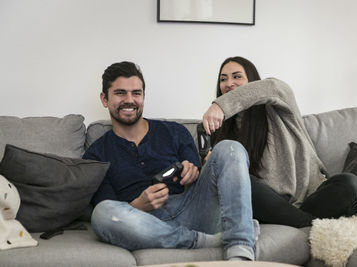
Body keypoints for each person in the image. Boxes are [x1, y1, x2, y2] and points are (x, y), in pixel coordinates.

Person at [83, 61, 258, 261]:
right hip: (145, 223)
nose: (129, 100)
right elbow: (107, 206)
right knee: (102, 214)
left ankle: (240, 253)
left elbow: (199, 176)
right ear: (104, 99)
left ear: (143, 97)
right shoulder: (95, 156)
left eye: (136, 93)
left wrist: (193, 170)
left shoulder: (175, 132)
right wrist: (139, 205)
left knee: (230, 147)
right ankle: (206, 241)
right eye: (120, 93)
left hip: (193, 209)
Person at [202, 56, 357, 228]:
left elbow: (272, 86)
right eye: (223, 79)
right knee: (237, 178)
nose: (228, 83)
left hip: (313, 195)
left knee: (350, 184)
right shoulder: (220, 129)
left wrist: (220, 106)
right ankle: (311, 223)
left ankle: (301, 221)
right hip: (269, 205)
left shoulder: (277, 106)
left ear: (252, 80)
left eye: (237, 76)